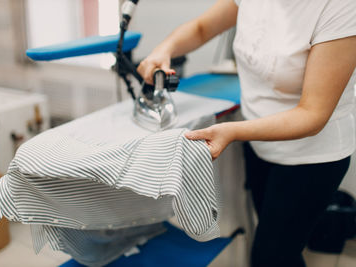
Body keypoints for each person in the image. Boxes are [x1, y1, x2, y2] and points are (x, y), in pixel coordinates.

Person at [137, 0, 356, 266]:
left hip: (312, 155)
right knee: (273, 244)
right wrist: (165, 49)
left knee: (272, 256)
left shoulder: (341, 7)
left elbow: (313, 114)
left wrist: (233, 131)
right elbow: (202, 28)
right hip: (257, 140)